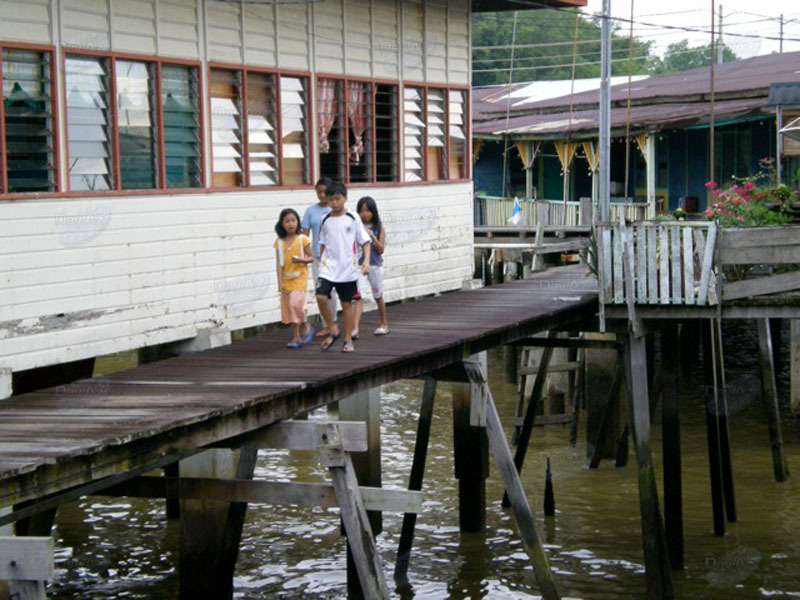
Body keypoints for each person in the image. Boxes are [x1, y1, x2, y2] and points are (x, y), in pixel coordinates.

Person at [316, 182, 370, 352]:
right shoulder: (325, 219)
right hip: (329, 267)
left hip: (347, 268)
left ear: (345, 198)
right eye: (331, 199)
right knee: (320, 297)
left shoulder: (353, 218)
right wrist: (320, 265)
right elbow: (323, 244)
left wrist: (366, 261)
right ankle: (332, 327)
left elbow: (365, 241)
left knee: (346, 304)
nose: (334, 203)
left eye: (337, 199)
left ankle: (347, 340)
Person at [301, 177, 338, 337]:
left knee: (333, 291)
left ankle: (334, 322)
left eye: (324, 192)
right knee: (321, 291)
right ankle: (326, 324)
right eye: (319, 192)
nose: (322, 195)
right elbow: (304, 235)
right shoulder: (311, 211)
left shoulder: (336, 209)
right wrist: (304, 255)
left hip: (334, 256)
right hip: (317, 256)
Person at [274, 208, 314, 348]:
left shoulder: (303, 239)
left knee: (294, 303)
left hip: (300, 278)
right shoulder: (279, 242)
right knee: (289, 308)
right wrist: (279, 283)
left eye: (293, 220)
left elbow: (312, 258)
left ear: (298, 222)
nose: (290, 224)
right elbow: (279, 264)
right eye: (287, 221)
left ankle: (305, 324)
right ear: (282, 224)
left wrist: (301, 260)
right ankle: (296, 336)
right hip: (286, 279)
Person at [352, 196, 389, 338]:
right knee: (358, 296)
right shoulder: (356, 227)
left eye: (368, 211)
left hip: (375, 265)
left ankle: (383, 323)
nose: (365, 214)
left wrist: (372, 236)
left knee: (378, 295)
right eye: (361, 211)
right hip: (360, 266)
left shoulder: (379, 227)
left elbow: (381, 249)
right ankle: (355, 328)